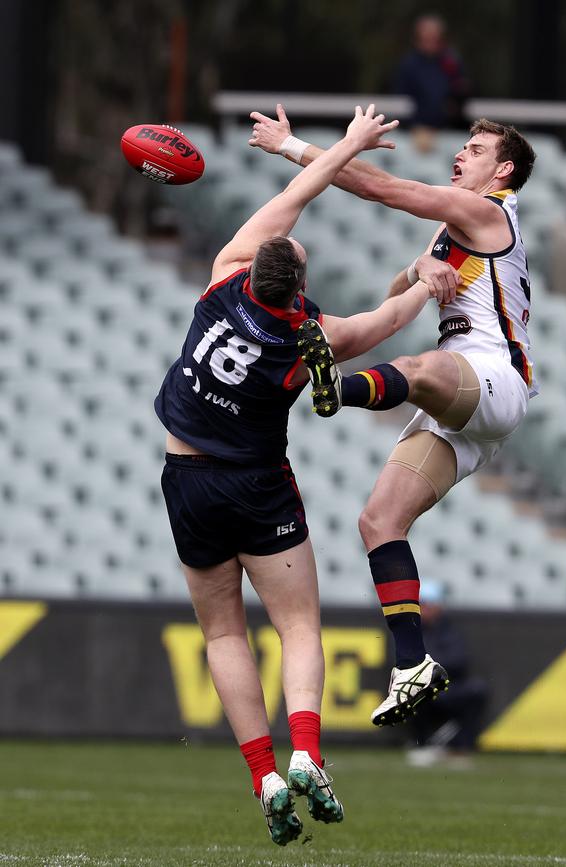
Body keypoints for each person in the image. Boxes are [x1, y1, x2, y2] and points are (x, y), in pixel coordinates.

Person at [154, 106, 441, 846]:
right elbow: (383, 323)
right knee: (298, 624)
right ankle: (308, 752)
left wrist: (335, 149)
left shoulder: (221, 281)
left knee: (223, 634)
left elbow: (295, 197)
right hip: (259, 484)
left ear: (256, 267)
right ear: (299, 284)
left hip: (187, 479)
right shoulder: (313, 337)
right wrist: (427, 284)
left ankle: (267, 778)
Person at [249, 106, 537, 728]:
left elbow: (385, 188)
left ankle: (333, 389)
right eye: (464, 145)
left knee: (424, 365)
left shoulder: (488, 211)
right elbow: (392, 298)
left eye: (477, 149)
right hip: (463, 400)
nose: (462, 154)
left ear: (504, 170)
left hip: (492, 378)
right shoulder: (454, 232)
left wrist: (292, 146)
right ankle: (413, 663)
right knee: (378, 520)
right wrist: (415, 271)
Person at [405, 580, 488, 766]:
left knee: (477, 690)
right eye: (421, 604)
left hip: (448, 684)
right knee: (414, 691)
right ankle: (422, 743)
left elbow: (460, 660)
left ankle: (458, 747)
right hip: (422, 685)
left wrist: (432, 665)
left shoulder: (450, 630)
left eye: (428, 604)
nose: (424, 609)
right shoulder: (408, 629)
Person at [394, 14, 470, 153]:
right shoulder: (409, 65)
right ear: (417, 39)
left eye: (435, 38)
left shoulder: (451, 62)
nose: (431, 42)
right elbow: (402, 101)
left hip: (449, 132)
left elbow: (461, 91)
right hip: (415, 135)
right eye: (426, 38)